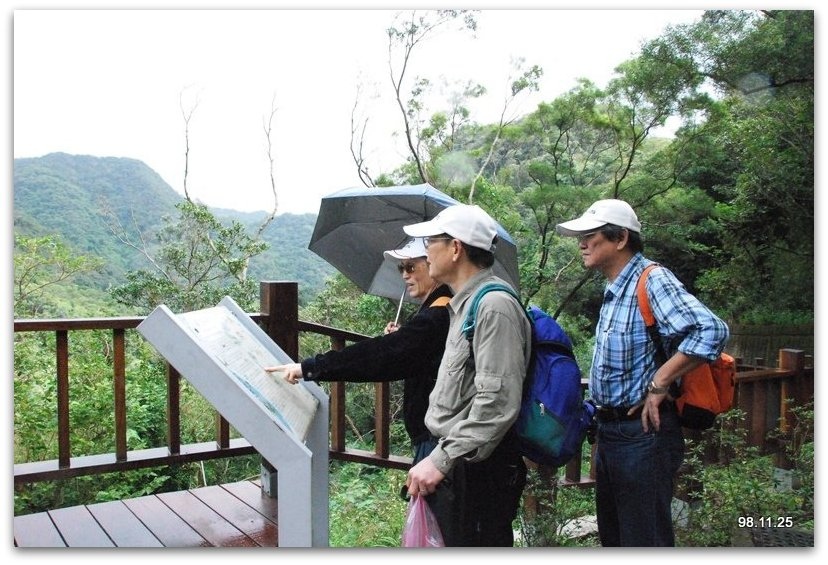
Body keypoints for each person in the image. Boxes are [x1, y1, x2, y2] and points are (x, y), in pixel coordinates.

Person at [555, 198, 729, 547]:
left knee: (644, 540)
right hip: (610, 432)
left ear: (620, 238)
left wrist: (660, 381)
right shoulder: (613, 289)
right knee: (615, 538)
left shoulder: (652, 280)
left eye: (591, 236)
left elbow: (711, 330)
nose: (582, 243)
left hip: (644, 435)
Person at [402, 203, 532, 547]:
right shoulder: (465, 305)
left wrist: (441, 461)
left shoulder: (494, 307)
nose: (425, 251)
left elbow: (497, 402)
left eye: (431, 242)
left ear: (456, 248)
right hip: (457, 467)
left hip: (476, 473)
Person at [265, 237, 452, 463]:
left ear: (432, 264)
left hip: (434, 440)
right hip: (432, 433)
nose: (404, 275)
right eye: (401, 268)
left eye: (411, 267)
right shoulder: (438, 309)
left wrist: (311, 367)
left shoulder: (437, 315)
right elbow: (412, 351)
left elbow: (376, 356)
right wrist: (402, 337)